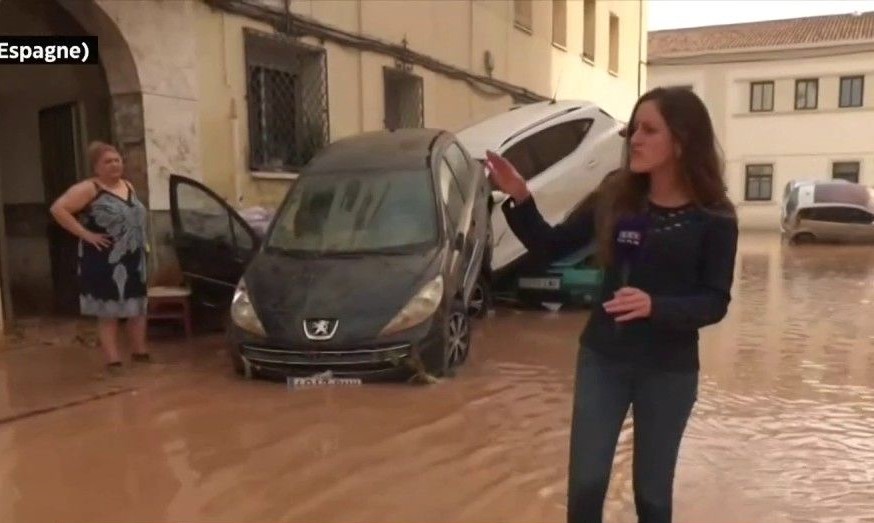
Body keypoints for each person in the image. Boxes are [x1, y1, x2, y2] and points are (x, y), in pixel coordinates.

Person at [486, 87, 738, 523]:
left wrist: (655, 306)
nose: (634, 139)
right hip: (603, 360)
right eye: (633, 129)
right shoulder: (616, 197)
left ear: (681, 141)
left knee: (653, 497)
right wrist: (520, 197)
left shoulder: (715, 218)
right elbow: (550, 246)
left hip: (669, 370)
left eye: (648, 129)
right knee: (585, 485)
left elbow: (714, 302)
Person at [50, 141, 150, 374]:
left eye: (117, 160)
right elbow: (58, 209)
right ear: (96, 167)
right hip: (104, 259)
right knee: (109, 311)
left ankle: (140, 353)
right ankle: (113, 361)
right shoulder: (89, 188)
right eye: (108, 161)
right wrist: (86, 234)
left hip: (133, 258)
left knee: (137, 308)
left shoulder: (128, 185)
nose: (114, 165)